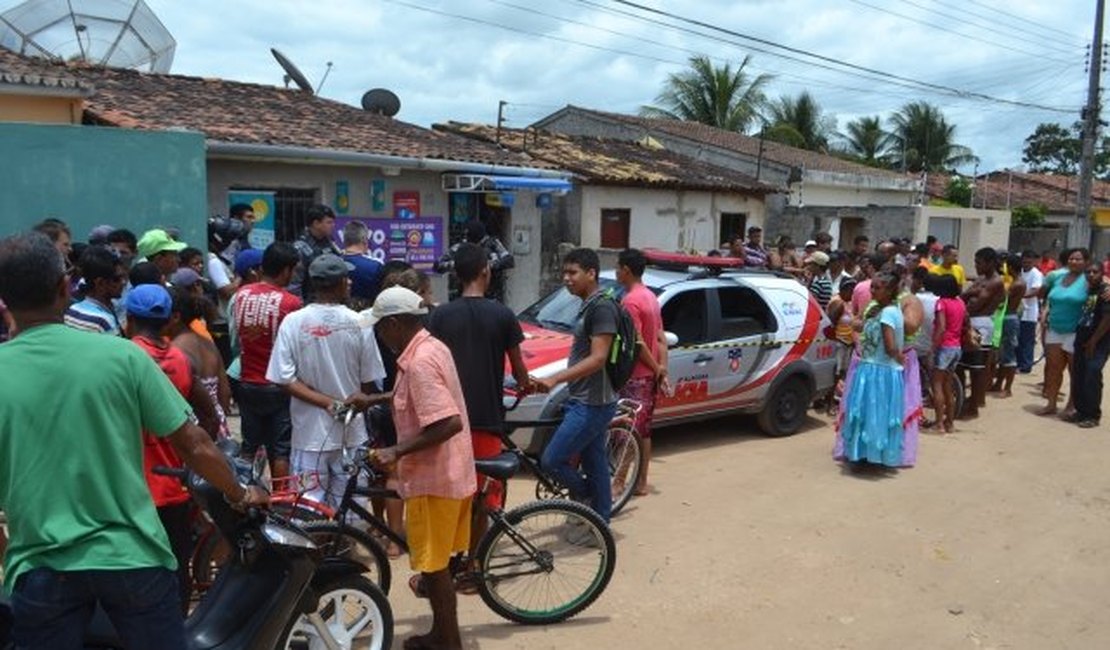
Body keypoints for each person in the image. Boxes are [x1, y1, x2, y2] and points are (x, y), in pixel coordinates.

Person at [0, 232, 268, 648]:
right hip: (132, 559)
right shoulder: (122, 356)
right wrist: (239, 493)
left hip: (42, 566)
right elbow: (194, 443)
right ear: (64, 287)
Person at [366, 286, 475, 650]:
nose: (380, 335)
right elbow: (414, 397)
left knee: (435, 568)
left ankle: (448, 642)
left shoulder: (419, 362)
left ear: (395, 324)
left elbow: (448, 422)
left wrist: (395, 451)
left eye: (382, 327)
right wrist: (373, 399)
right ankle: (442, 636)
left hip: (435, 479)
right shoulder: (429, 347)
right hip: (450, 474)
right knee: (437, 565)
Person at [426, 242, 532, 588]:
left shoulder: (439, 316)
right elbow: (519, 374)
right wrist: (531, 384)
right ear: (487, 271)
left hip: (447, 422)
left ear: (456, 275)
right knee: (484, 497)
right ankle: (473, 566)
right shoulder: (503, 315)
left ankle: (442, 567)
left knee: (449, 494)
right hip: (487, 420)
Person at [125, 284, 221, 610]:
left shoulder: (125, 357)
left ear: (128, 319)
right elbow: (209, 414)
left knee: (138, 569)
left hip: (134, 486)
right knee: (178, 564)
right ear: (169, 320)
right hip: (176, 482)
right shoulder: (179, 358)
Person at [267, 254, 385, 507]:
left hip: (308, 435)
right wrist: (338, 402)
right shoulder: (360, 323)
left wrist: (327, 403)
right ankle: (345, 548)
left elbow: (283, 378)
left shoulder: (293, 322)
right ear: (342, 283)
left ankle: (317, 548)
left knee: (307, 508)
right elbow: (368, 383)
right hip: (351, 433)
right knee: (350, 510)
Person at [532, 248, 619, 522]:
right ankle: (599, 519)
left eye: (573, 273)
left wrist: (556, 379)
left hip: (593, 402)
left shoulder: (602, 307)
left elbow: (598, 358)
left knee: (551, 460)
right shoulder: (588, 304)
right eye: (564, 273)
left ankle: (587, 499)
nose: (566, 279)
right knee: (595, 464)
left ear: (591, 273)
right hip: (585, 398)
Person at [232, 242, 303, 477]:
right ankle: (281, 504)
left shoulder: (241, 294)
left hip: (246, 382)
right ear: (286, 270)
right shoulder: (291, 303)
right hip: (278, 385)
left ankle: (242, 497)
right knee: (281, 451)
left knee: (249, 447)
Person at [834, 272, 906, 468]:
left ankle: (869, 457)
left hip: (878, 371)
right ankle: (866, 454)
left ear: (890, 290)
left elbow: (890, 345)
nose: (872, 291)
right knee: (869, 413)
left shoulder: (889, 313)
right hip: (873, 369)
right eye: (872, 287)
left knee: (873, 413)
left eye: (877, 288)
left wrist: (899, 357)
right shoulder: (879, 310)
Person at [614, 248, 669, 497]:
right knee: (643, 430)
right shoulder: (650, 297)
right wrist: (661, 369)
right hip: (649, 376)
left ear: (626, 270)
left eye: (617, 267)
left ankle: (619, 482)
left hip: (636, 376)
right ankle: (642, 481)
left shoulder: (630, 301)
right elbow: (661, 338)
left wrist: (657, 368)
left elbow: (636, 342)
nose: (616, 272)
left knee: (628, 430)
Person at [168, 289, 232, 439]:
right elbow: (225, 391)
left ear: (176, 317)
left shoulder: (176, 350)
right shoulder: (208, 344)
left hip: (195, 428)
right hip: (218, 424)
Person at [1038, 248, 1091, 417]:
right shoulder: (1058, 277)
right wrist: (1045, 311)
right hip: (1054, 328)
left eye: (1078, 259)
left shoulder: (1088, 279)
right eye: (1071, 259)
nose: (1074, 262)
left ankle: (1071, 405)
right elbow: (1049, 298)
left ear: (1086, 262)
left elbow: (1104, 284)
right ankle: (1051, 404)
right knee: (1053, 369)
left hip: (1075, 331)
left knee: (1074, 371)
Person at [960, 248, 1005, 418]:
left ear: (990, 263)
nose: (976, 266)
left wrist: (969, 295)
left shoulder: (995, 282)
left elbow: (975, 305)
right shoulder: (981, 279)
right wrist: (969, 294)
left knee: (977, 368)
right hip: (972, 322)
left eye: (979, 263)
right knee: (964, 365)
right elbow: (965, 298)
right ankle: (970, 400)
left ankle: (974, 406)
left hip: (982, 324)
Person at [435, 220, 515, 302]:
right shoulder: (461, 247)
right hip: (464, 295)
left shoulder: (492, 244)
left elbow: (509, 260)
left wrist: (488, 264)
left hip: (490, 295)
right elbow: (438, 265)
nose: (466, 238)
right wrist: (461, 264)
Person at [1070, 263, 1110, 428]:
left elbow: (1108, 319)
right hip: (1082, 337)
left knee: (1092, 373)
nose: (1091, 274)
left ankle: (1092, 415)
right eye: (1088, 272)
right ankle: (1081, 411)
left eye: (1095, 271)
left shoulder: (1105, 291)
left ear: (1102, 273)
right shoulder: (1087, 289)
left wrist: (1094, 341)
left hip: (1099, 341)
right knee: (1078, 373)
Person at [63, 245, 126, 336]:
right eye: (117, 279)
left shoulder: (72, 310)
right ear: (100, 283)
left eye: (123, 277)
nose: (123, 282)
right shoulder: (104, 321)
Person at [930, 275, 966, 433]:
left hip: (944, 346)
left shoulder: (941, 303)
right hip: (956, 346)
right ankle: (949, 422)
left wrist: (933, 347)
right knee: (948, 386)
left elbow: (941, 327)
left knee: (936, 385)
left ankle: (938, 424)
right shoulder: (960, 303)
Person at [290, 204, 342, 302]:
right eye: (329, 222)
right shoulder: (300, 248)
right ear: (316, 223)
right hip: (309, 301)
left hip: (329, 300)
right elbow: (294, 285)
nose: (333, 225)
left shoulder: (329, 242)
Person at [991, 254, 1025, 398]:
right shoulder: (1015, 282)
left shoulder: (1017, 284)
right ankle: (999, 383)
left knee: (1009, 354)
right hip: (1006, 317)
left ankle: (1008, 388)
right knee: (1003, 353)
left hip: (1009, 318)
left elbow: (1001, 298)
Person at [825, 277, 856, 414]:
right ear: (843, 289)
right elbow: (829, 325)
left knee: (843, 374)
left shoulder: (850, 303)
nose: (852, 292)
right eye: (850, 290)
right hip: (838, 343)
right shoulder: (837, 303)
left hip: (849, 343)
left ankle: (839, 402)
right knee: (835, 375)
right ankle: (829, 404)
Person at [340, 220, 384, 310]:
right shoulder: (375, 265)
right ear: (365, 240)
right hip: (368, 315)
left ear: (344, 240)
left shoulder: (331, 263)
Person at [1017, 250, 1044, 374]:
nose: (1026, 263)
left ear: (1034, 261)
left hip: (1029, 312)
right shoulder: (1019, 272)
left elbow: (1035, 291)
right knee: (1017, 339)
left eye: (1029, 261)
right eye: (1024, 261)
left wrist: (1018, 295)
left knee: (1027, 340)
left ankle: (1026, 365)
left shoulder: (1036, 274)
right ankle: (1018, 363)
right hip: (1018, 311)